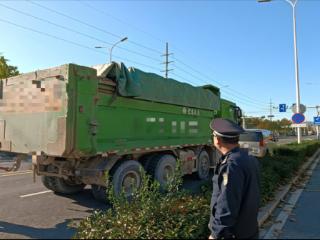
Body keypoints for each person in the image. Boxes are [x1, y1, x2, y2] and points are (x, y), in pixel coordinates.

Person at [208, 118, 260, 239]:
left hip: (233, 233)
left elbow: (227, 202)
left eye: (213, 135)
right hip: (249, 227)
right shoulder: (247, 155)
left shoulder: (231, 165)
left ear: (218, 140)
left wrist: (216, 234)